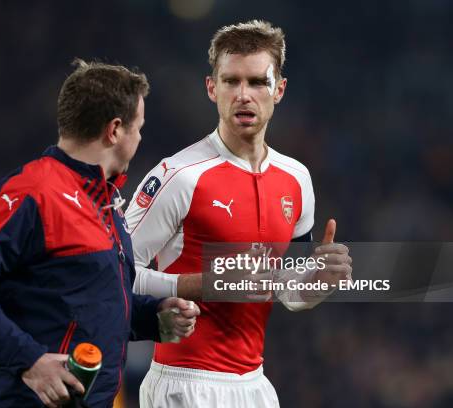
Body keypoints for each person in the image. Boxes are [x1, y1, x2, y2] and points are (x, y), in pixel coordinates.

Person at [0, 59, 200, 408]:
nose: (140, 138)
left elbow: (80, 303)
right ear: (115, 130)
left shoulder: (105, 205)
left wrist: (151, 317)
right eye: (139, 127)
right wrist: (30, 361)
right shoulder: (34, 192)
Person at [125, 21, 352, 407]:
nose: (243, 95)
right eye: (231, 81)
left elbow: (286, 290)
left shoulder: (297, 179)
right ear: (212, 88)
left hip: (255, 387)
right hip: (184, 385)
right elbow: (114, 275)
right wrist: (203, 283)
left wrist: (319, 282)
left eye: (257, 82)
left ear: (279, 90)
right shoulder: (178, 176)